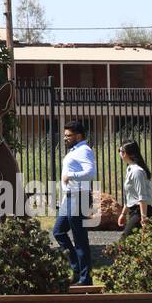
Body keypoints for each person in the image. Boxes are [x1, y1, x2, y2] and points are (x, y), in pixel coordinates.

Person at [52, 120, 97, 285]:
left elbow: (91, 172)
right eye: (64, 135)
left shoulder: (84, 150)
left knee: (79, 239)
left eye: (68, 135)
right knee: (58, 231)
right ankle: (77, 270)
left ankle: (85, 279)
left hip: (80, 196)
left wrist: (71, 175)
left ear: (78, 136)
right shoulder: (75, 150)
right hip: (70, 197)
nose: (65, 138)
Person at [115, 140, 152, 237]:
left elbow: (142, 196)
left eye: (121, 151)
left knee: (125, 240)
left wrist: (143, 218)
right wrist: (123, 214)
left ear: (128, 154)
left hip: (141, 211)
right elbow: (130, 196)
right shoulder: (130, 169)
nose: (120, 153)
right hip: (134, 211)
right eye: (119, 150)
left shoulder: (137, 171)